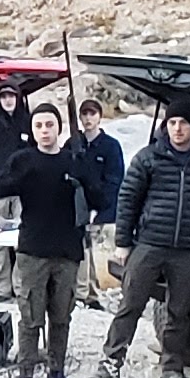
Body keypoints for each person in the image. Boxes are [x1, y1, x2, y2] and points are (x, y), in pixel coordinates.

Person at [95, 108, 190, 378]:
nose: (177, 129)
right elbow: (128, 200)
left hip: (187, 248)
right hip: (149, 244)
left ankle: (172, 369)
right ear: (165, 126)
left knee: (179, 311)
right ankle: (110, 363)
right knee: (130, 305)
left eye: (183, 123)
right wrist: (123, 243)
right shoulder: (148, 157)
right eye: (172, 123)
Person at [0, 100, 93, 378]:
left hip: (68, 251)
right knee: (30, 318)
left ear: (59, 128)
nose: (44, 131)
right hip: (33, 250)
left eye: (49, 125)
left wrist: (84, 170)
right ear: (32, 129)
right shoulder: (25, 159)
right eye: (39, 125)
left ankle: (57, 375)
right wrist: (17, 171)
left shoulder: (73, 160)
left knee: (61, 318)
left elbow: (100, 196)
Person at [65, 100, 127, 302]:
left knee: (93, 252)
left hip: (102, 209)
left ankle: (89, 293)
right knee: (81, 250)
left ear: (100, 116)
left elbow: (114, 181)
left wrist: (100, 210)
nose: (88, 118)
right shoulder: (72, 143)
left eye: (92, 113)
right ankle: (86, 293)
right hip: (76, 207)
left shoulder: (111, 146)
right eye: (84, 114)